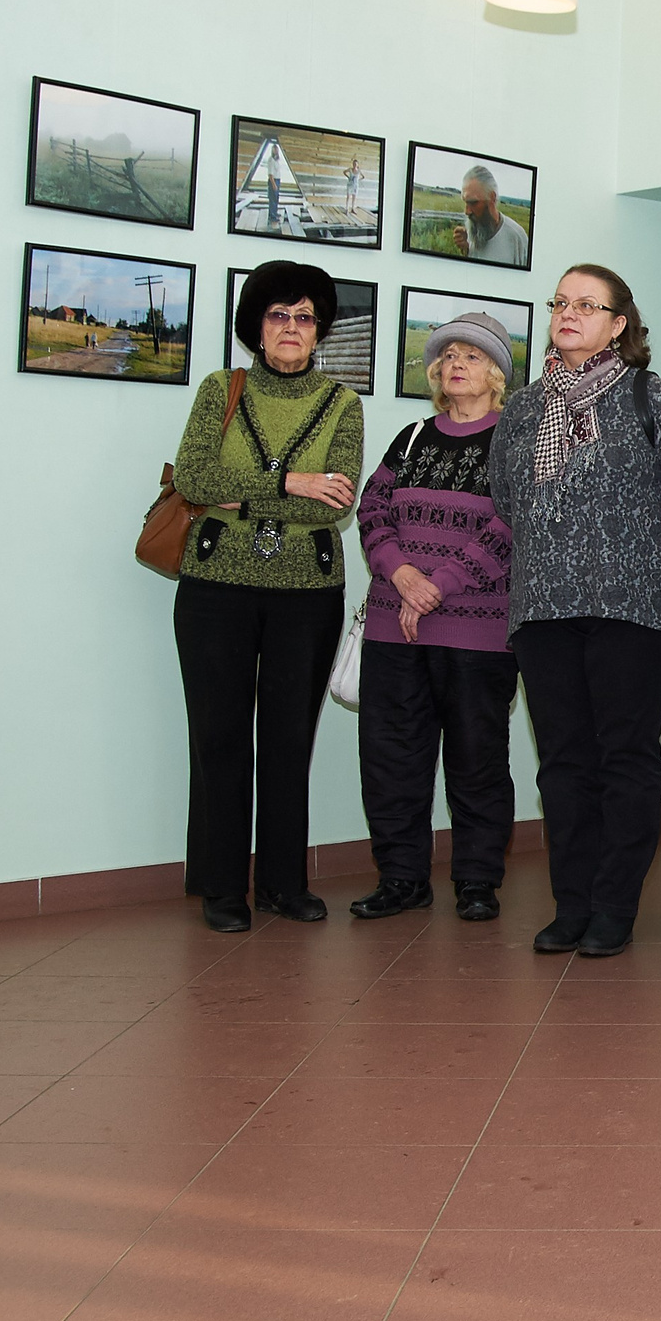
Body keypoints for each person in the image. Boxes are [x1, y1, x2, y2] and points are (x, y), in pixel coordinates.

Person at [489, 266, 661, 957]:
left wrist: (628, 561)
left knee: (625, 761)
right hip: (543, 607)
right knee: (562, 764)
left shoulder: (655, 398)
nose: (569, 313)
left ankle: (614, 908)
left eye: (588, 305)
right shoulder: (525, 407)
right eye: (561, 302)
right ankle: (571, 904)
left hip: (633, 608)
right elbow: (504, 498)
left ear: (619, 324)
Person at [171, 261, 365, 932]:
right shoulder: (219, 389)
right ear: (256, 324)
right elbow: (195, 478)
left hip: (306, 595)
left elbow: (335, 503)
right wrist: (289, 486)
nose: (291, 328)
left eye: (305, 317)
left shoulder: (343, 403)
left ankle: (284, 882)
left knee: (289, 741)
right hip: (213, 590)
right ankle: (222, 888)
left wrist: (243, 492)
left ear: (321, 331)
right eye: (279, 315)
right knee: (219, 738)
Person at [350, 312, 518, 924]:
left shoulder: (515, 442)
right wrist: (400, 573)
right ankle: (401, 878)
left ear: (497, 375)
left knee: (477, 760)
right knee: (392, 758)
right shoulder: (413, 437)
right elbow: (372, 509)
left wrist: (439, 585)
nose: (455, 364)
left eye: (471, 356)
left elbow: (510, 526)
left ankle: (477, 880)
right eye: (447, 356)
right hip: (393, 624)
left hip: (478, 632)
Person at [459, 165, 530, 265]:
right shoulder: (472, 233)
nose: (467, 211)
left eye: (473, 203)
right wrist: (466, 250)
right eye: (465, 202)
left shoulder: (516, 237)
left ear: (492, 197)